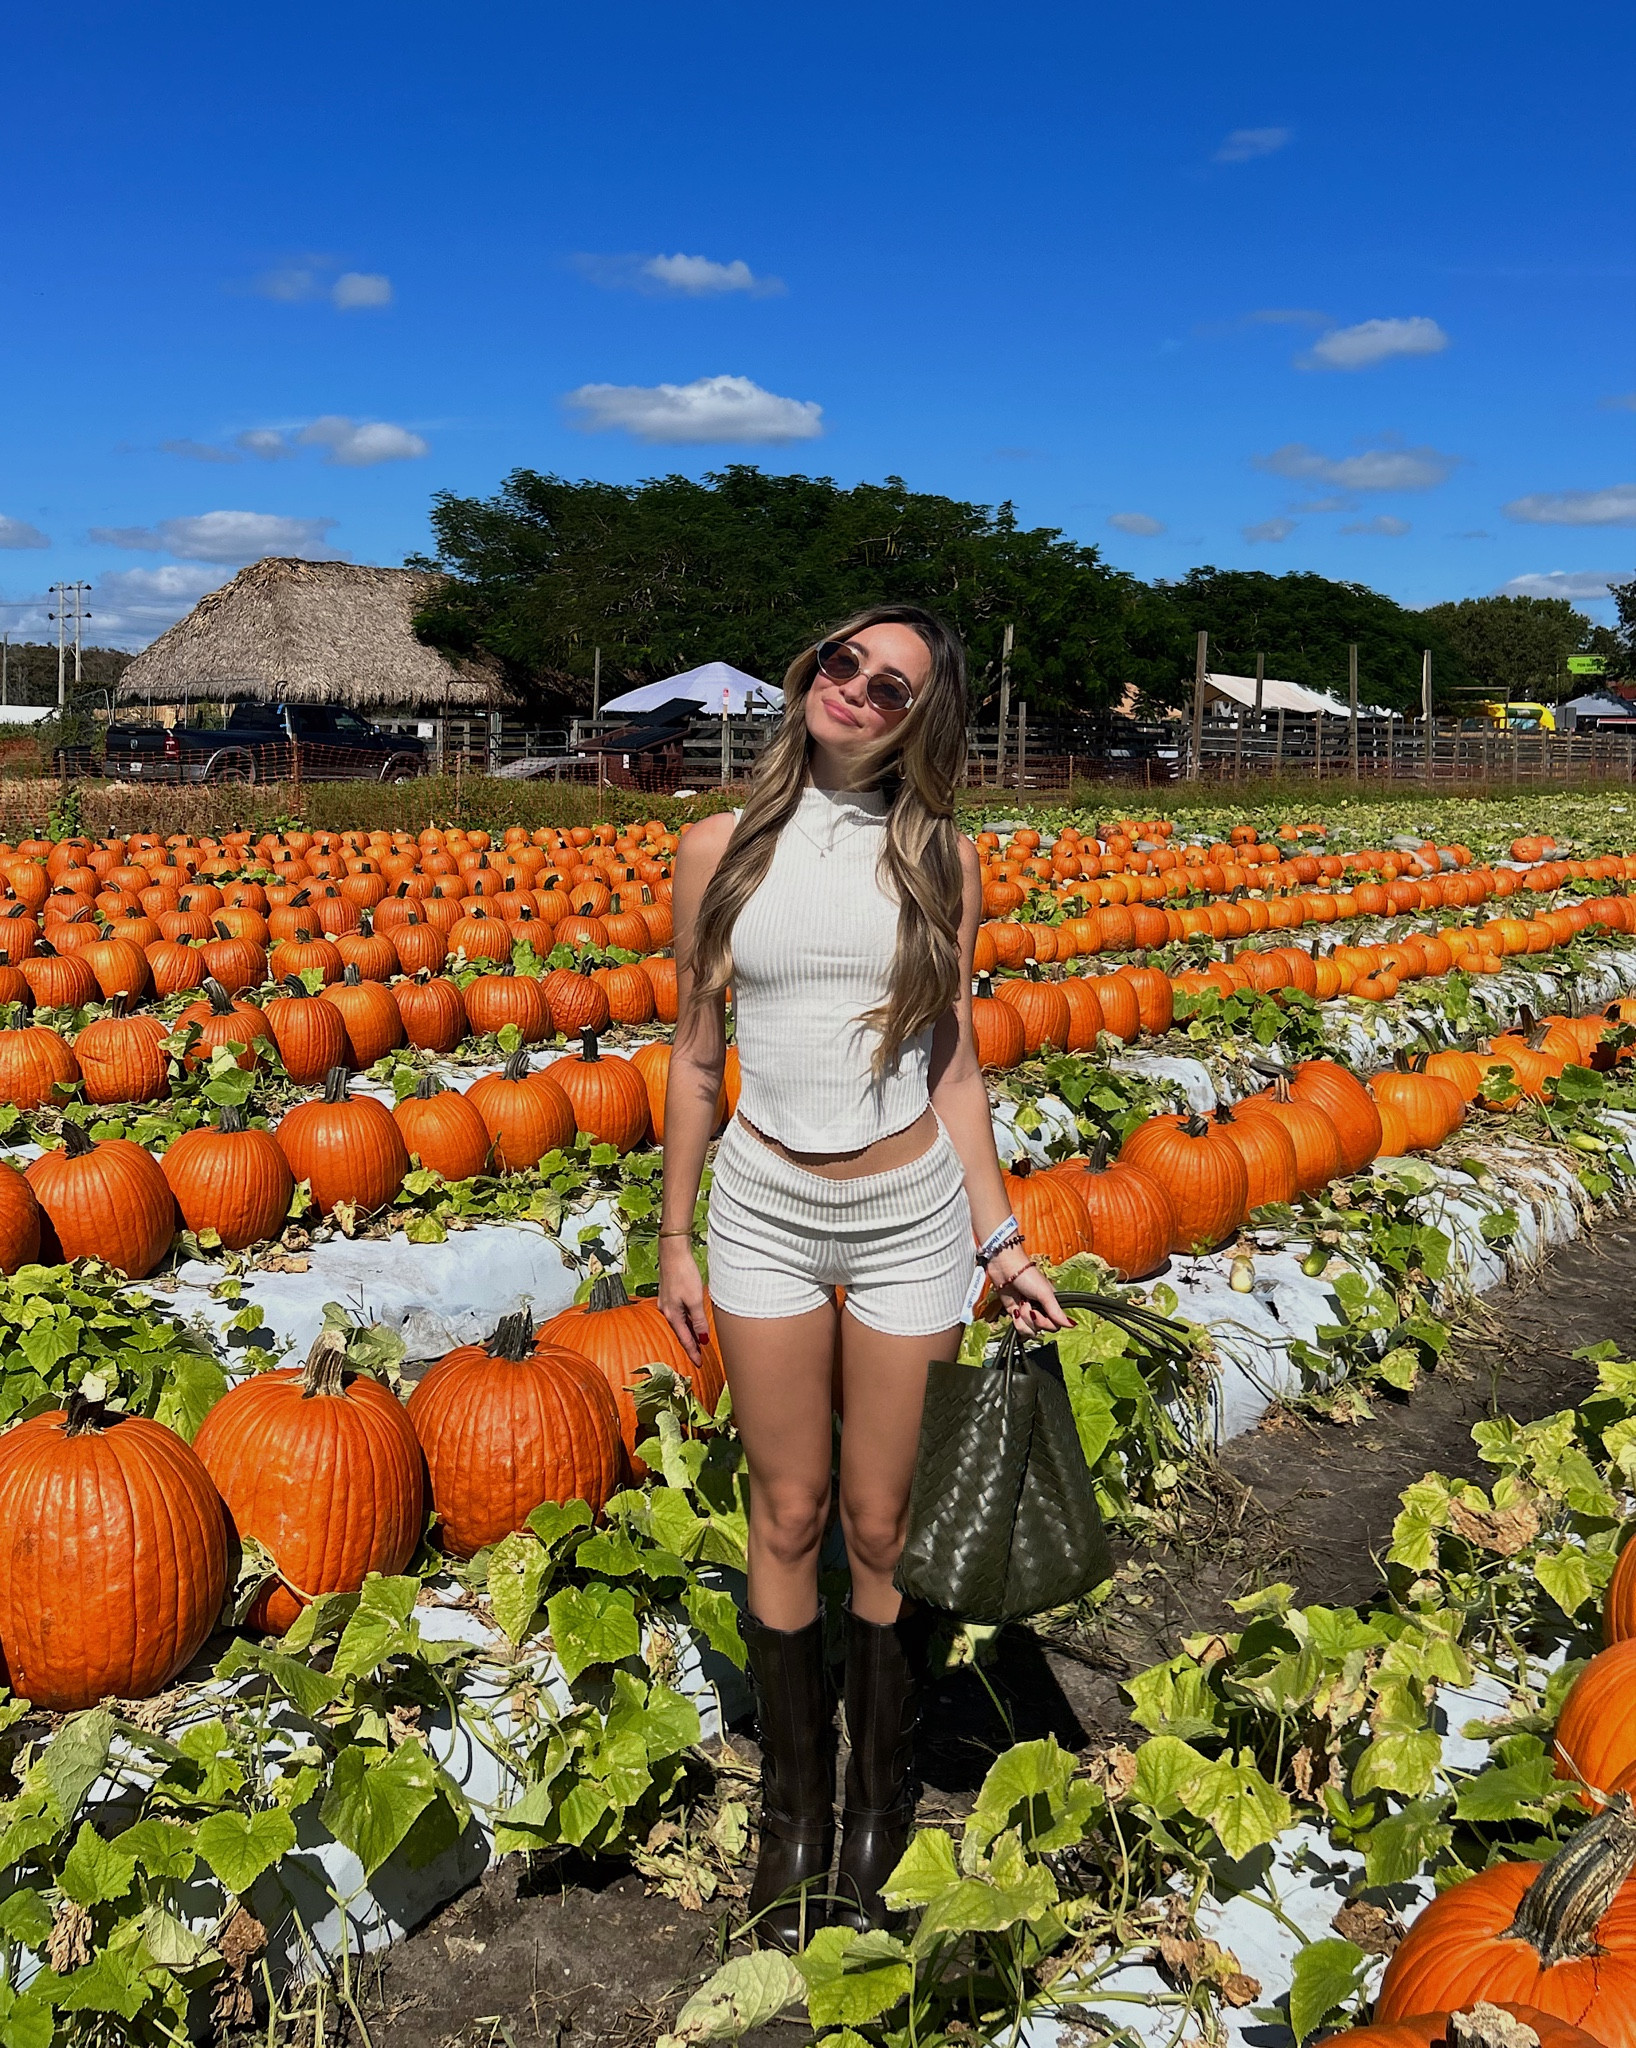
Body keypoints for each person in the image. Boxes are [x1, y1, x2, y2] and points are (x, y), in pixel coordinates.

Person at [658, 604, 1067, 1948]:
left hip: (905, 1217)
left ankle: (881, 1787)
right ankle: (795, 1809)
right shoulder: (713, 851)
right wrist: (676, 1236)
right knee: (788, 1511)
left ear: (920, 721)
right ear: (808, 672)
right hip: (765, 1209)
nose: (856, 689)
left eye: (892, 686)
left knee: (883, 1527)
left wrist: (1000, 1242)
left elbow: (952, 1068)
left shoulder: (940, 861)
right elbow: (699, 1057)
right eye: (843, 662)